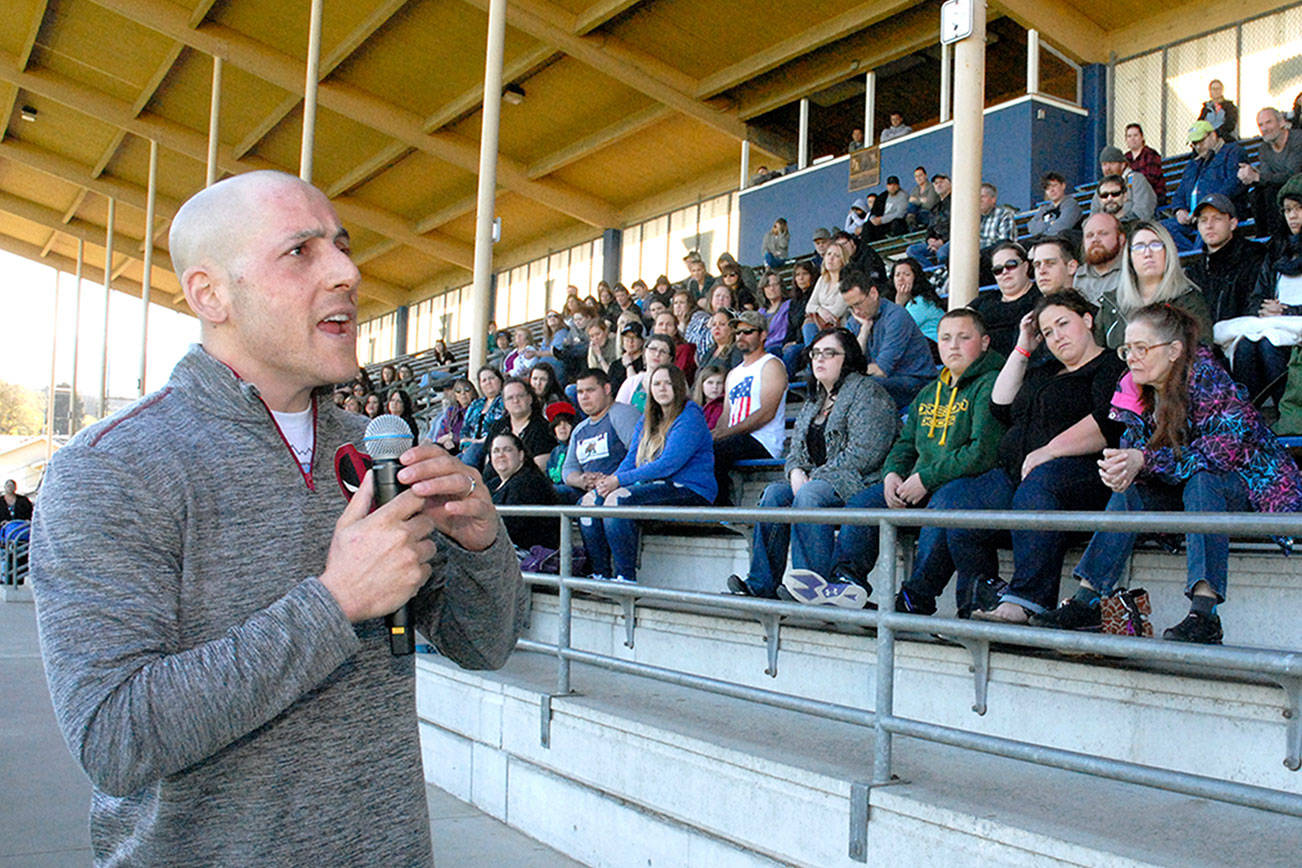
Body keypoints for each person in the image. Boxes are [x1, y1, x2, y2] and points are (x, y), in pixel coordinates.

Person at [29, 170, 523, 865]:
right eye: (302, 252)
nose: (348, 272)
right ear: (211, 294)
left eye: (344, 247)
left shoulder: (380, 453)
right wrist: (334, 603)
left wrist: (480, 547)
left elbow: (485, 646)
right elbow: (115, 739)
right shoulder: (110, 469)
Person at [1031, 304, 1302, 644]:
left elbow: (1224, 451)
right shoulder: (1133, 387)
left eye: (1142, 348)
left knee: (1203, 480)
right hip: (1188, 487)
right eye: (1127, 349)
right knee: (1131, 493)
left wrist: (1143, 461)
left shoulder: (1208, 377)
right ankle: (1087, 600)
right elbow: (1138, 453)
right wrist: (1122, 471)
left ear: (1174, 351)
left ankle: (1205, 614)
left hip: (1253, 487)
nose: (1131, 357)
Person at [951, 291, 1128, 623]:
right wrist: (1024, 346)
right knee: (961, 507)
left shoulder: (1111, 366)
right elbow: (1000, 404)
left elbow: (1109, 421)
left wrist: (1049, 450)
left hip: (1082, 474)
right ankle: (977, 605)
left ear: (1087, 321)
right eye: (1048, 332)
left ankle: (1028, 601)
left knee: (1039, 485)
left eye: (1063, 324)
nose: (1056, 336)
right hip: (1022, 476)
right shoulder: (1044, 369)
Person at [830, 309, 1007, 616]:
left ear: (985, 342)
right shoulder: (929, 392)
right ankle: (848, 583)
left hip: (961, 485)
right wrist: (892, 474)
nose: (953, 346)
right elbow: (905, 444)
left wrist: (925, 479)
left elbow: (981, 452)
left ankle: (916, 598)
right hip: (917, 484)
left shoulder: (991, 384)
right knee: (862, 503)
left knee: (944, 508)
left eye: (964, 338)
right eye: (945, 338)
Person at [725, 328, 898, 605]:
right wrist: (795, 472)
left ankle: (812, 586)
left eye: (830, 353)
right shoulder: (815, 399)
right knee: (774, 495)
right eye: (816, 353)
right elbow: (796, 453)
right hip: (819, 484)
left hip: (862, 482)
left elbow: (866, 454)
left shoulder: (868, 393)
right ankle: (761, 583)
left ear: (848, 358)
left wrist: (812, 479)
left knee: (811, 494)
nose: (820, 359)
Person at [579, 365, 716, 582]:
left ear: (679, 386)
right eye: (656, 383)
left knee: (618, 499)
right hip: (654, 487)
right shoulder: (647, 419)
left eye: (668, 383)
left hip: (689, 489)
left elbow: (669, 464)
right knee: (589, 500)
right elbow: (631, 459)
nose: (662, 388)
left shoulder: (690, 416)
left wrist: (618, 481)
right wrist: (607, 482)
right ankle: (600, 574)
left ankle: (625, 577)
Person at [1232, 176, 1302, 405]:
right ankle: (1248, 416)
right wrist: (1264, 309)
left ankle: (1287, 412)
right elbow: (1257, 297)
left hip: (1294, 330)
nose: (1293, 215)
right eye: (1288, 209)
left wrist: (1289, 312)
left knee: (1268, 344)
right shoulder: (1276, 251)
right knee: (1244, 346)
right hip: (1277, 327)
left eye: (1300, 208)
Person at [1093, 221, 1212, 350]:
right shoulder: (1112, 304)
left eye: (1155, 245)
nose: (1148, 253)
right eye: (1139, 247)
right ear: (1130, 257)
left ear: (1168, 252)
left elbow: (1202, 351)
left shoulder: (1189, 299)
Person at [711, 311, 789, 504]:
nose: (740, 337)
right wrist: (717, 433)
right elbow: (726, 415)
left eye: (747, 332)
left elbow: (766, 413)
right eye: (737, 333)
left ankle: (721, 510)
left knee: (716, 450)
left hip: (763, 441)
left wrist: (725, 434)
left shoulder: (771, 365)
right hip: (736, 440)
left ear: (762, 335)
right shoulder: (733, 374)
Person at [841, 269, 936, 409]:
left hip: (917, 384)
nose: (856, 311)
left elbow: (881, 370)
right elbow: (849, 362)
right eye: (850, 307)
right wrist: (864, 331)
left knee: (863, 386)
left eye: (857, 304)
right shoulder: (855, 321)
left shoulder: (896, 317)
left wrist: (853, 373)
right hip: (887, 382)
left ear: (873, 293)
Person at [1163, 120, 1247, 252]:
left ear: (1213, 135)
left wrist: (1206, 207)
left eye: (1200, 141)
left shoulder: (1233, 152)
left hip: (1217, 214)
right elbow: (1179, 194)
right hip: (1192, 219)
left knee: (1206, 227)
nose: (1197, 147)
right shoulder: (1193, 164)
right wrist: (1179, 210)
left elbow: (1235, 184)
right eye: (1194, 144)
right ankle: (1195, 255)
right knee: (1159, 230)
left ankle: (1197, 257)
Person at [1185, 192, 1266, 323]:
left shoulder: (1254, 255)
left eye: (1217, 218)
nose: (1209, 225)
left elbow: (1256, 305)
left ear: (1233, 223)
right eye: (1203, 220)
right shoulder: (1195, 272)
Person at [563, 369, 642, 502]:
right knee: (551, 494)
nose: (584, 397)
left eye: (590, 390)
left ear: (606, 389)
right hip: (588, 489)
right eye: (580, 392)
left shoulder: (622, 414)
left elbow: (639, 454)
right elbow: (569, 468)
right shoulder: (579, 430)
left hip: (621, 485)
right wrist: (582, 480)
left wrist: (611, 480)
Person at [969, 240, 1043, 358]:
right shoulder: (982, 302)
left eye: (1011, 265)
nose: (1004, 272)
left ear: (1026, 266)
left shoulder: (1041, 296)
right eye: (998, 270)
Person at [1237, 108, 1302, 239]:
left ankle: (1279, 238)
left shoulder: (1298, 139)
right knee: (1258, 192)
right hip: (1279, 189)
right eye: (1261, 125)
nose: (1264, 128)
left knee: (1271, 190)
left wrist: (1258, 176)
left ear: (1282, 122)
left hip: (1298, 187)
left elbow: (1293, 174)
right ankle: (1266, 238)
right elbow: (1266, 178)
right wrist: (1251, 173)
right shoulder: (1264, 148)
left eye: (1268, 122)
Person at [488, 432, 560, 551]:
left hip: (527, 554)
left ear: (521, 455)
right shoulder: (493, 484)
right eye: (496, 451)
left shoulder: (528, 481)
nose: (500, 455)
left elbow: (509, 527)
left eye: (507, 450)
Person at [485, 377, 556, 480]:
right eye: (510, 398)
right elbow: (489, 462)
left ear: (530, 398)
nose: (515, 401)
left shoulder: (543, 428)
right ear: (504, 404)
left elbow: (539, 467)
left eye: (520, 396)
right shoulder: (498, 427)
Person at [1090, 147, 1156, 224]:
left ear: (1123, 165)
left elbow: (1143, 210)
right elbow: (1093, 214)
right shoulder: (1102, 187)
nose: (1107, 168)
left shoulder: (1135, 179)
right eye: (1104, 164)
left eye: (1112, 163)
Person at [459, 365, 506, 467]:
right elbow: (464, 428)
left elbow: (501, 428)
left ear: (500, 380)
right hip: (470, 447)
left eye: (491, 378)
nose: (488, 382)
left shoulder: (505, 401)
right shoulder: (476, 404)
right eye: (484, 380)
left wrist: (476, 441)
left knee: (472, 454)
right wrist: (464, 442)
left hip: (492, 445)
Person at [616, 333, 675, 412]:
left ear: (670, 358)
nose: (657, 354)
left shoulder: (676, 383)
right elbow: (619, 412)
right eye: (653, 349)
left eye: (663, 351)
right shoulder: (632, 382)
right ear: (644, 352)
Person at [1073, 213, 1125, 304]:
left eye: (1103, 233)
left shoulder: (1133, 271)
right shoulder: (1077, 276)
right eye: (1089, 235)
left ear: (1121, 239)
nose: (1095, 239)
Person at [892, 258, 945, 347]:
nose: (901, 279)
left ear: (916, 277)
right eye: (897, 275)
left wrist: (899, 304)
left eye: (907, 275)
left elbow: (897, 331)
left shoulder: (922, 302)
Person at [803, 242, 848, 343]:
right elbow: (809, 306)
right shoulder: (822, 279)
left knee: (809, 325)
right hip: (819, 325)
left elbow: (836, 311)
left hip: (838, 329)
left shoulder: (847, 281)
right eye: (828, 254)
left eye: (836, 256)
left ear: (843, 261)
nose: (831, 258)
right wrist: (819, 310)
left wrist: (817, 311)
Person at [1027, 172, 1083, 239]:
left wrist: (1044, 227)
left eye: (1054, 186)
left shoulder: (1071, 205)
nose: (1051, 190)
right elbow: (1032, 228)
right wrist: (1050, 223)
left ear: (1063, 186)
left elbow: (1062, 227)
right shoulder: (1044, 209)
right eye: (1047, 188)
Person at [1123, 122, 1166, 203]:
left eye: (1136, 135)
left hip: (1151, 196)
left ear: (1142, 137)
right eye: (1129, 136)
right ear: (1126, 140)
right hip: (1130, 196)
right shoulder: (1125, 158)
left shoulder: (1151, 154)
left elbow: (1150, 180)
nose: (1132, 139)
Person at [544, 402, 578, 502]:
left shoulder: (577, 447)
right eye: (558, 424)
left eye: (567, 423)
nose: (562, 427)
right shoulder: (555, 452)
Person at [653, 310, 699, 383]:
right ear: (654, 328)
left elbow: (677, 377)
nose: (664, 328)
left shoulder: (685, 350)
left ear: (675, 330)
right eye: (660, 324)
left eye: (669, 325)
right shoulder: (649, 349)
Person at [433, 377, 476, 452]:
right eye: (458, 391)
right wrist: (446, 440)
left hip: (469, 446)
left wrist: (452, 437)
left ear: (473, 392)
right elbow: (440, 435)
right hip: (451, 445)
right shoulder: (451, 411)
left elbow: (474, 434)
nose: (463, 393)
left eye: (467, 390)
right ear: (455, 396)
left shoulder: (478, 408)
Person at [759, 271, 792, 358]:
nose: (772, 288)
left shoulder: (788, 305)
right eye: (768, 286)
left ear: (781, 286)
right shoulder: (761, 312)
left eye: (775, 284)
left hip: (778, 347)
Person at [609, 320, 645, 394]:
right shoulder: (615, 365)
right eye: (627, 338)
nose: (630, 341)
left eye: (634, 337)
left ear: (642, 341)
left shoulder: (645, 362)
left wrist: (629, 365)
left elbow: (636, 388)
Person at [691, 364, 728, 429]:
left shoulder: (722, 408)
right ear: (701, 385)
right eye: (710, 383)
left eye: (719, 383)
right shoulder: (693, 406)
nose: (715, 387)